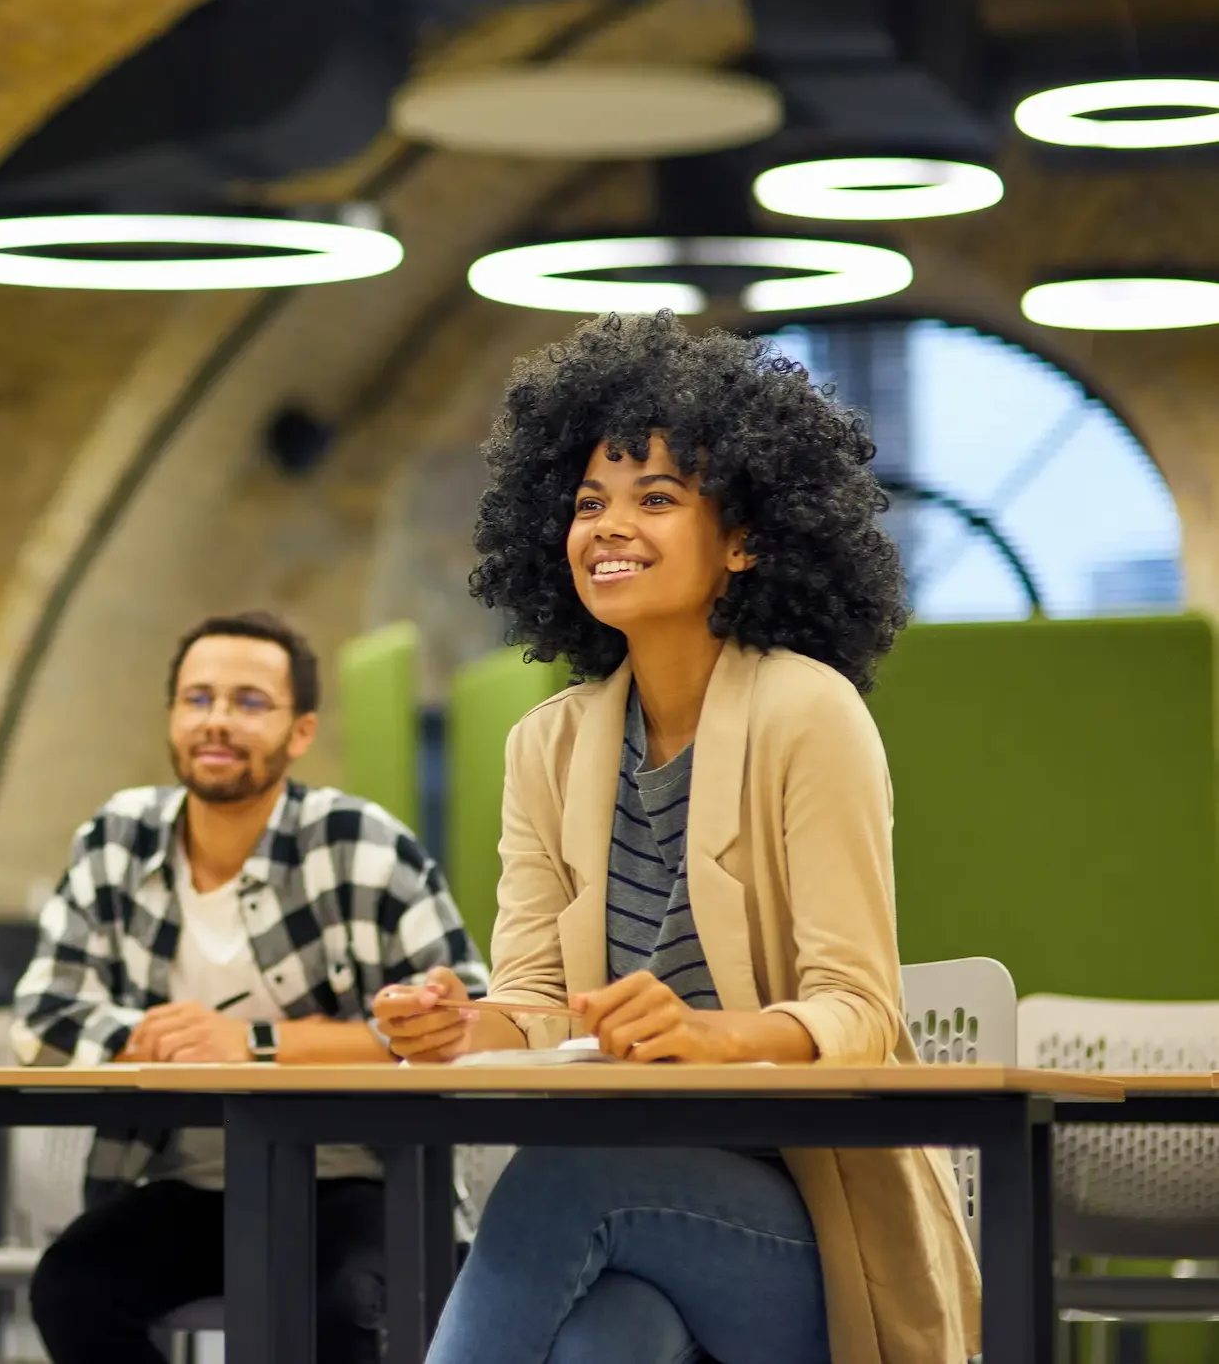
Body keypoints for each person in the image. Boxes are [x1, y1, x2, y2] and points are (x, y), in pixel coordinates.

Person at [372, 313, 979, 1364]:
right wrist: (456, 1024)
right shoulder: (545, 747)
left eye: (655, 498)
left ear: (741, 537)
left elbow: (858, 1008)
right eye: (585, 502)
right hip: (638, 1221)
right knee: (609, 1340)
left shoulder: (808, 711)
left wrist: (712, 1035)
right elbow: (525, 1004)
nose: (608, 526)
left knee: (568, 1176)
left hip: (813, 1233)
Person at [13, 610, 488, 1364]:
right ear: (171, 716)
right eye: (197, 699)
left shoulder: (360, 844)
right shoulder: (113, 839)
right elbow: (42, 1014)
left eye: (248, 702)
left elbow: (466, 1020)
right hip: (187, 1185)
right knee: (69, 1289)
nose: (217, 722)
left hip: (357, 1181)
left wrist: (252, 1043)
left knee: (336, 1304)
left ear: (300, 732)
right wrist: (154, 1037)